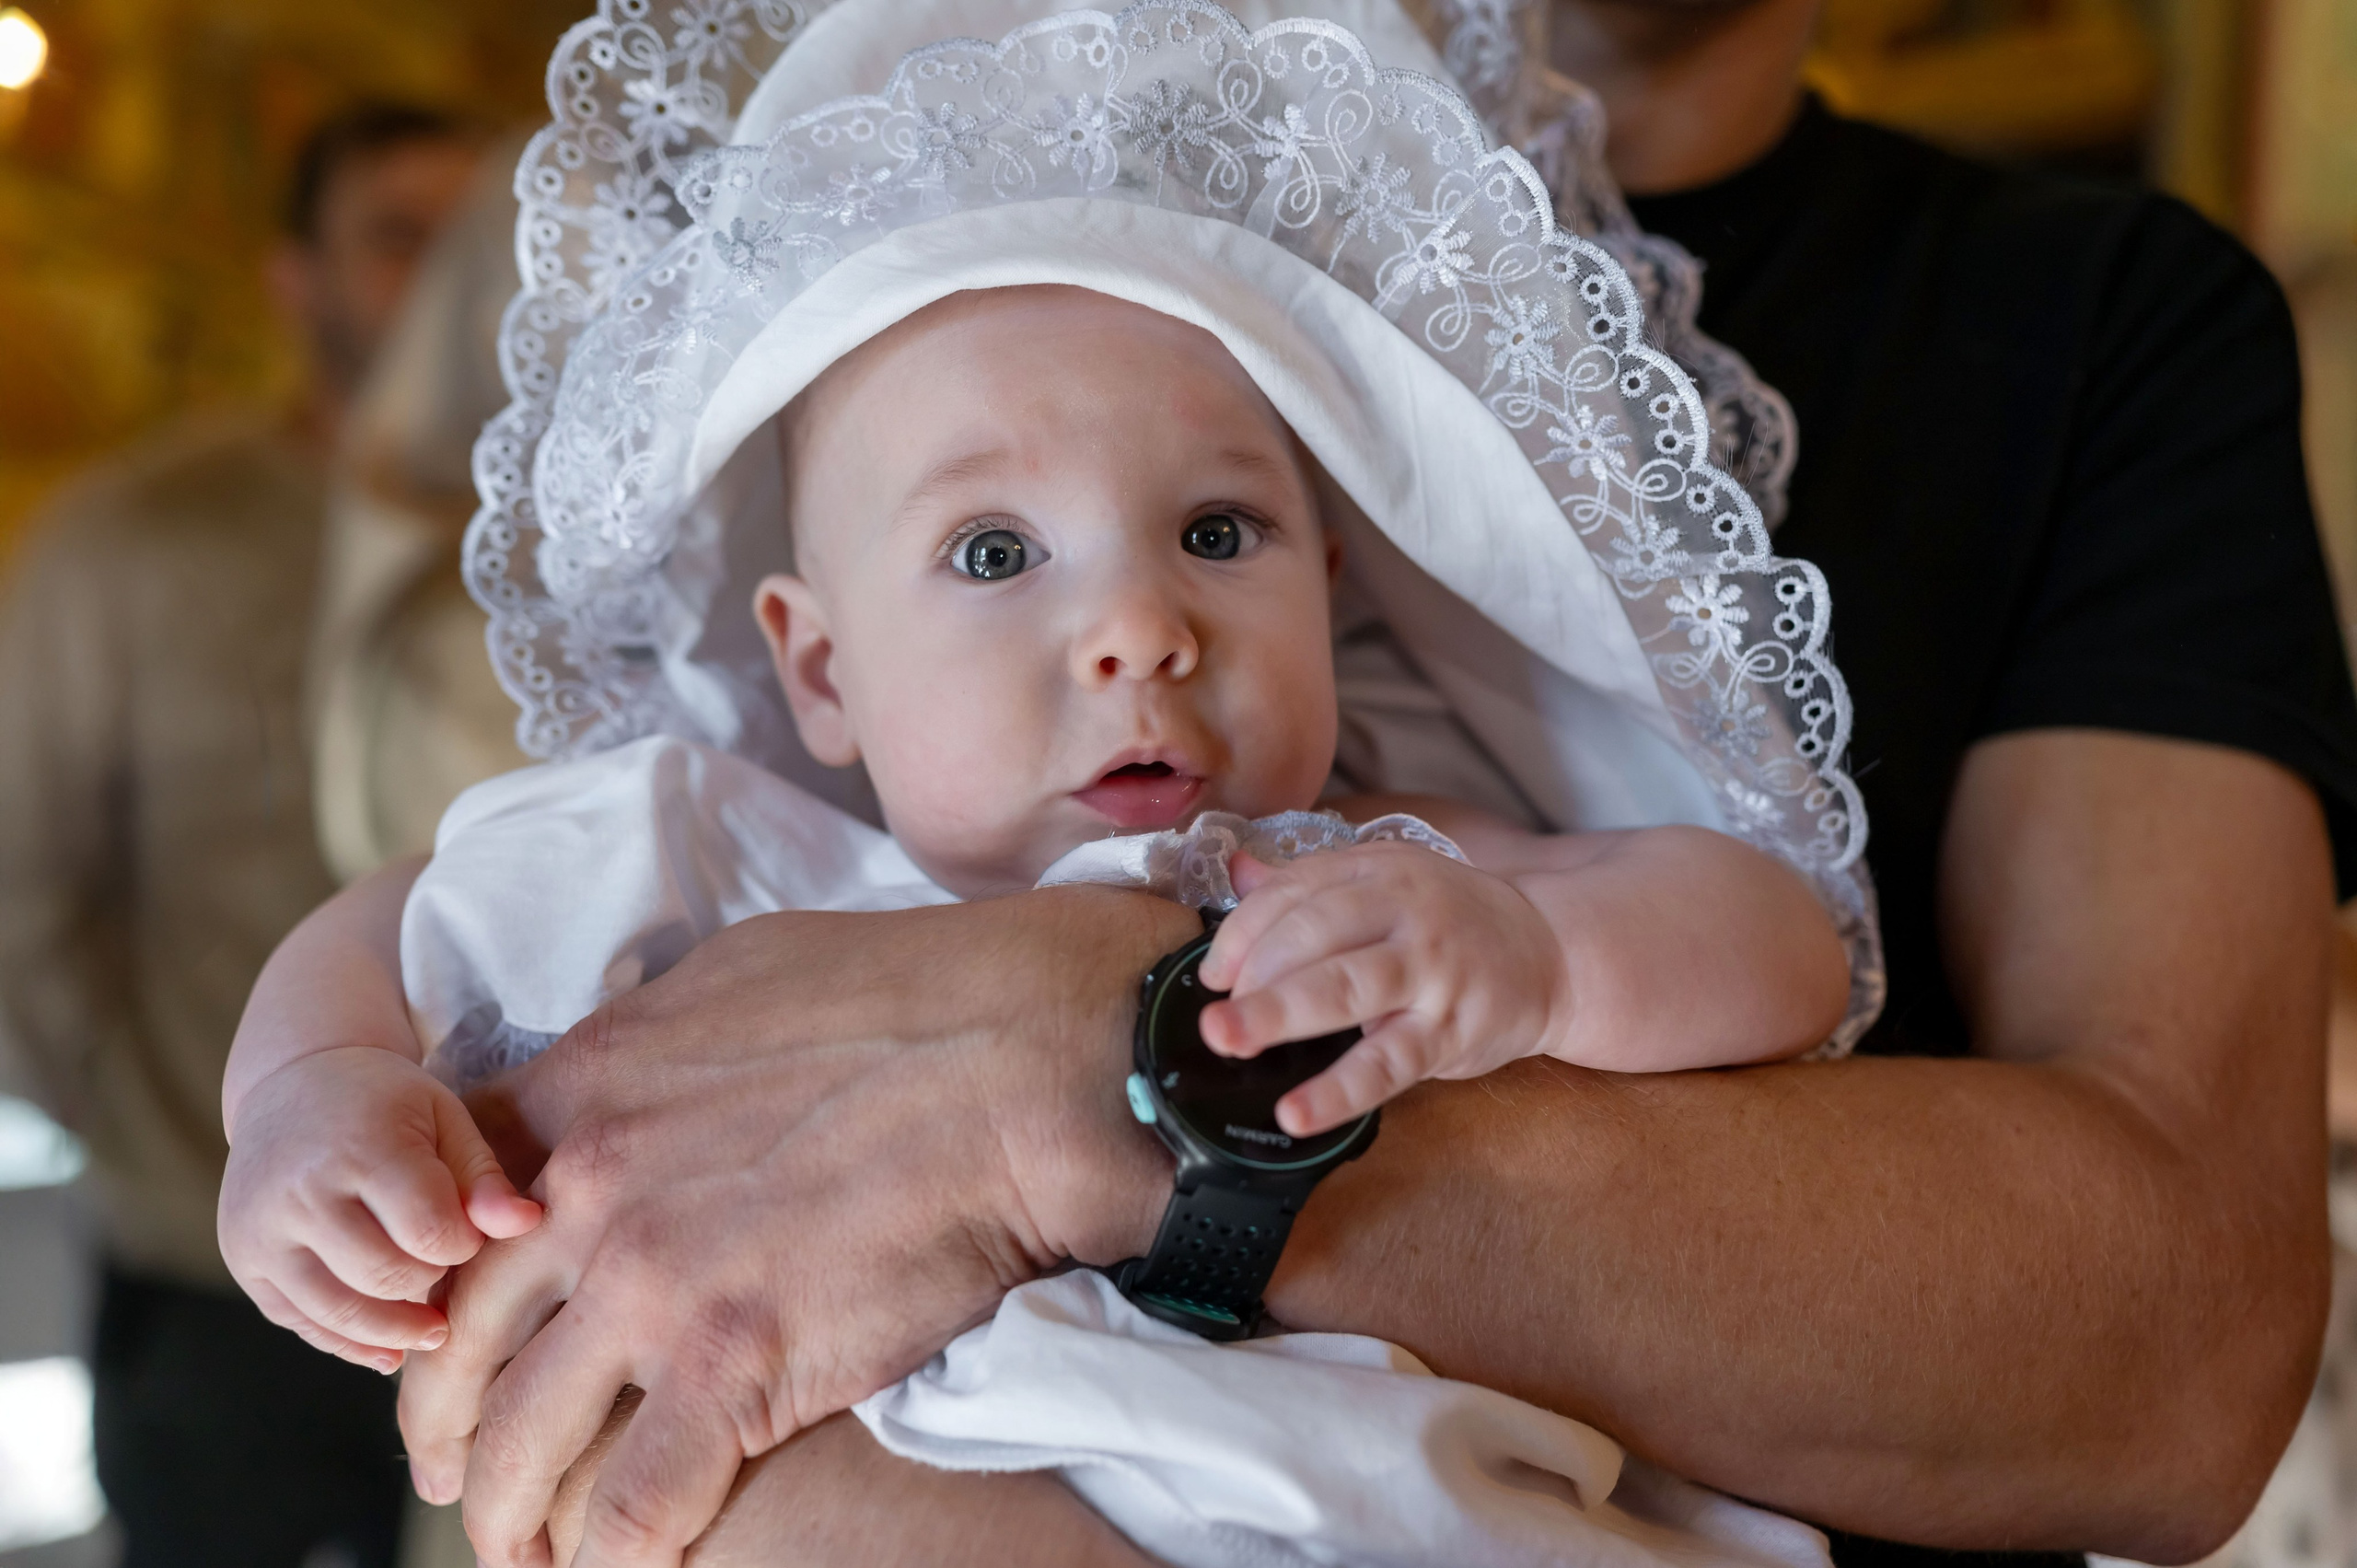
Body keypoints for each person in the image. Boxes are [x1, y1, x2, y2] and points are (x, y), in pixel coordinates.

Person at [237, 0, 2357, 1563]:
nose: (1134, 627)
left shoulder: (1374, 858)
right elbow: (393, 937)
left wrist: (1515, 962)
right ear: (812, 666)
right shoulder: (720, 838)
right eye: (991, 557)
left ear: (1342, 579)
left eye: (1221, 536)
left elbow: (1770, 944)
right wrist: (311, 1108)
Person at [0, 104, 481, 1568]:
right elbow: (22, 882)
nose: (453, 276)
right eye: (399, 237)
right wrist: (154, 1139)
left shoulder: (552, 544)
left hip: (503, 1237)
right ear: (298, 280)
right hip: (210, 1256)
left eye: (480, 238)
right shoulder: (140, 536)